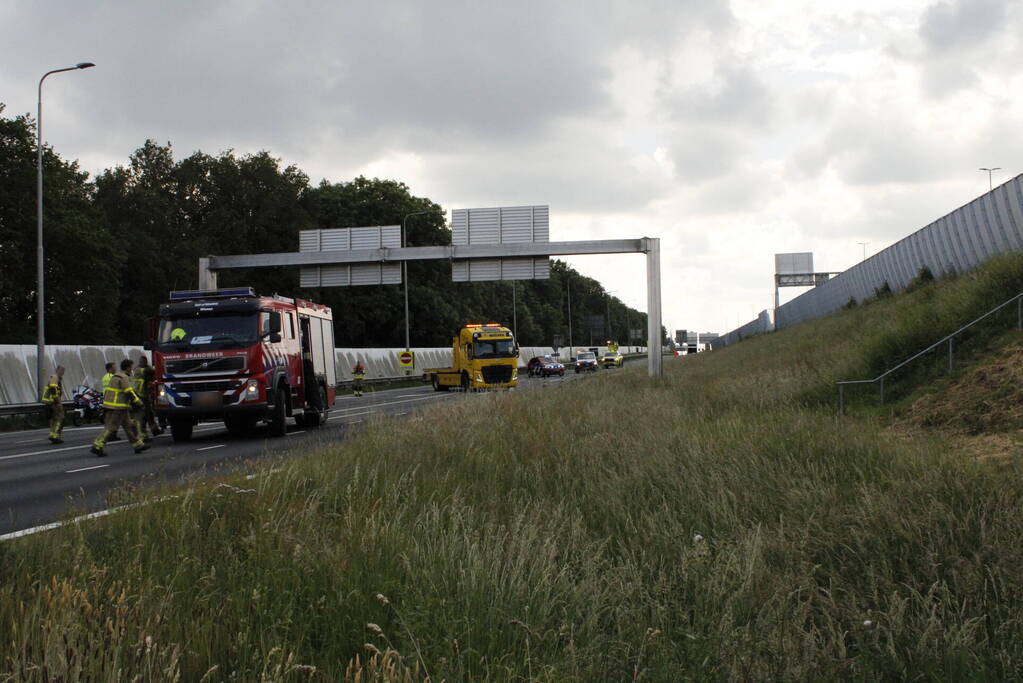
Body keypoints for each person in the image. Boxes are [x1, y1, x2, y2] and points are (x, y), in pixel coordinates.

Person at [91, 359, 150, 457]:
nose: (132, 370)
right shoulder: (123, 377)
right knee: (111, 428)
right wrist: (139, 403)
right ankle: (97, 446)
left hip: (118, 408)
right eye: (131, 367)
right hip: (118, 408)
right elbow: (128, 391)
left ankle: (138, 445)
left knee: (129, 426)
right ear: (128, 367)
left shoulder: (116, 376)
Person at [132, 355, 162, 439]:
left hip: (144, 394)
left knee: (149, 414)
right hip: (140, 395)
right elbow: (151, 371)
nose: (144, 363)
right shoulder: (141, 370)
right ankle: (143, 435)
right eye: (143, 362)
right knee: (143, 415)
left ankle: (154, 430)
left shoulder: (138, 369)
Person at [41, 365, 66, 444]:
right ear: (57, 370)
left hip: (51, 402)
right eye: (61, 370)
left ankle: (53, 435)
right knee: (60, 418)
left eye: (63, 370)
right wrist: (58, 402)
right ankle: (55, 436)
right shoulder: (55, 377)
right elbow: (53, 389)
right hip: (53, 402)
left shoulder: (56, 378)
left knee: (54, 419)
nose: (62, 372)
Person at [101, 361, 121, 440]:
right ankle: (110, 435)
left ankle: (111, 434)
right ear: (110, 368)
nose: (115, 368)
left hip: (107, 399)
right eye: (114, 367)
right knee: (112, 419)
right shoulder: (110, 377)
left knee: (110, 419)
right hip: (111, 400)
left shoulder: (105, 376)